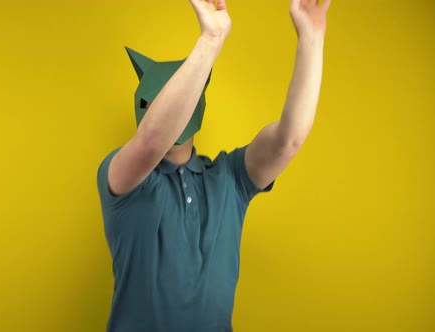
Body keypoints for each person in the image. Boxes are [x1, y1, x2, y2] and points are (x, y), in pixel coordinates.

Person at [96, 0, 331, 330]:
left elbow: (288, 140)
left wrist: (312, 39)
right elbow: (151, 140)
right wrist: (210, 40)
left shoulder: (231, 178)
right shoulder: (122, 175)